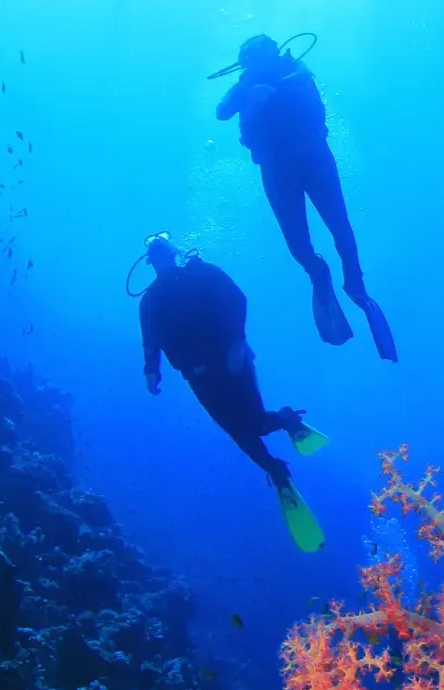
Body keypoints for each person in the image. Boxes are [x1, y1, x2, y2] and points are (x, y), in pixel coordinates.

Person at [136, 233, 329, 551]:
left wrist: (238, 342)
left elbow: (238, 299)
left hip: (232, 360)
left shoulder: (201, 272)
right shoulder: (150, 301)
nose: (161, 258)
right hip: (198, 375)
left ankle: (284, 421)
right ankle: (277, 470)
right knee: (237, 430)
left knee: (251, 422)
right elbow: (150, 340)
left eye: (163, 252)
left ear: (173, 253)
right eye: (155, 254)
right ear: (150, 262)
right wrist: (151, 371)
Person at [214, 34, 397, 360]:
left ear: (273, 54)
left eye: (258, 59)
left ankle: (355, 283)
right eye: (249, 63)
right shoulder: (246, 85)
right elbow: (221, 111)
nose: (254, 67)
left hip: (314, 158)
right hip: (275, 167)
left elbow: (311, 103)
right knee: (297, 243)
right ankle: (318, 272)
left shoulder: (296, 71)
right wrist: (251, 95)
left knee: (339, 225)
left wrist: (275, 92)